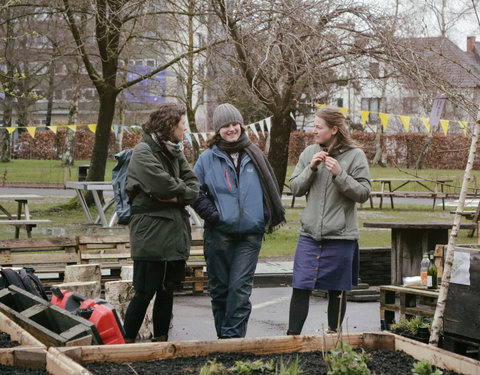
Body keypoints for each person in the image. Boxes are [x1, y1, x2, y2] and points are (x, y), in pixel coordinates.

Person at [193, 103, 285, 339]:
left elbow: (270, 187)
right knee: (221, 291)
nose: (231, 129)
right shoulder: (206, 158)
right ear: (217, 130)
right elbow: (192, 191)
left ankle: (232, 342)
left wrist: (263, 215)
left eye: (234, 124)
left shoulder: (255, 155)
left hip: (250, 235)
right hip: (218, 234)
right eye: (225, 126)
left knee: (239, 290)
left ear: (241, 125)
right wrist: (212, 214)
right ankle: (224, 340)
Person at [286, 106, 371, 335]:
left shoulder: (355, 156)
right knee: (300, 286)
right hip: (309, 235)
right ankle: (292, 339)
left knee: (337, 290)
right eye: (314, 126)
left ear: (334, 129)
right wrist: (311, 169)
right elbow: (294, 187)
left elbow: (363, 192)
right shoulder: (309, 153)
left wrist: (340, 175)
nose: (314, 131)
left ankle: (334, 336)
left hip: (341, 236)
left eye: (318, 127)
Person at [123, 102, 199, 343]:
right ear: (170, 125)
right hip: (151, 234)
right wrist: (175, 193)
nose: (185, 130)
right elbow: (163, 185)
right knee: (144, 292)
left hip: (174, 232)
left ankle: (161, 342)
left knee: (167, 291)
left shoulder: (174, 150)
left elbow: (193, 185)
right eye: (182, 125)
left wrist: (175, 195)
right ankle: (125, 343)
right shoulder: (143, 151)